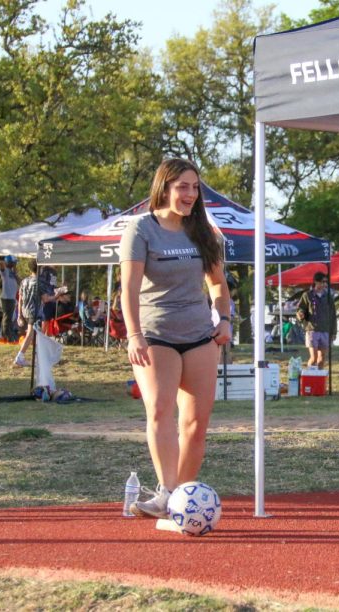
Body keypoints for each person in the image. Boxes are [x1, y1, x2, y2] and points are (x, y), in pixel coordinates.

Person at [119, 158, 231, 519]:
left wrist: (225, 319)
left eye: (195, 187)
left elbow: (218, 285)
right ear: (164, 187)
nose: (190, 194)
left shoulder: (205, 233)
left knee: (196, 425)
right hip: (156, 336)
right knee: (160, 411)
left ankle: (181, 499)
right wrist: (134, 334)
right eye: (183, 186)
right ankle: (166, 492)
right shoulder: (141, 230)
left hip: (199, 336)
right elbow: (129, 290)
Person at [13, 261, 56, 367]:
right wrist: (57, 295)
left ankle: (38, 355)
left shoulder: (24, 281)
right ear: (40, 268)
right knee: (30, 334)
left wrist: (19, 315)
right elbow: (45, 299)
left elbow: (21, 298)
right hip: (34, 311)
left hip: (25, 310)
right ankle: (20, 356)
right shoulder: (39, 282)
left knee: (35, 334)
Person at [296, 271, 336, 368]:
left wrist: (333, 332)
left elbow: (333, 315)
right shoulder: (307, 295)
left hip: (325, 330)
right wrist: (300, 314)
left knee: (322, 358)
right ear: (316, 282)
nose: (324, 284)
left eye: (326, 282)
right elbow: (300, 309)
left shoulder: (328, 297)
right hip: (312, 330)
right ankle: (309, 376)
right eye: (322, 282)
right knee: (313, 358)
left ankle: (318, 380)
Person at [0, 256, 20, 342]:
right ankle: (6, 336)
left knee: (10, 319)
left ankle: (7, 335)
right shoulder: (5, 271)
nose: (16, 264)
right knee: (7, 318)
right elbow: (0, 263)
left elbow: (20, 282)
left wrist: (15, 272)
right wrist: (7, 262)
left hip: (12, 298)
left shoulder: (12, 272)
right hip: (6, 298)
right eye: (14, 263)